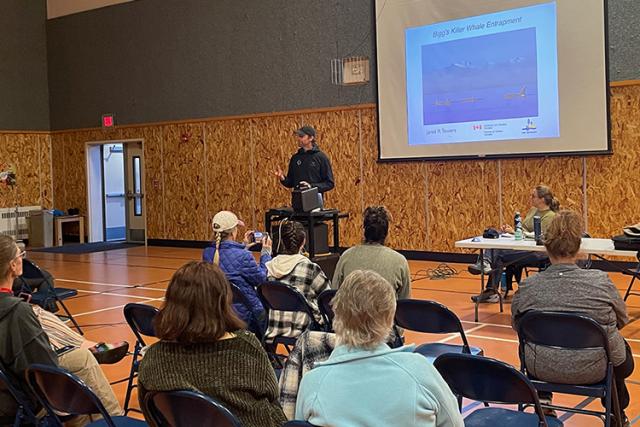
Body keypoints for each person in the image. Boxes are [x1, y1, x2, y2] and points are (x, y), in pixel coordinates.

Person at [295, 270, 463, 427]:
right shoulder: (420, 371)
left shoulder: (312, 382)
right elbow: (455, 423)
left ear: (337, 314)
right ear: (390, 318)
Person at [511, 211, 633, 426]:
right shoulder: (601, 282)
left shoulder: (528, 286)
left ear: (546, 247)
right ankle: (616, 414)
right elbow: (622, 320)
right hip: (597, 368)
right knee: (615, 351)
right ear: (579, 247)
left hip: (541, 367)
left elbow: (517, 325)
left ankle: (544, 402)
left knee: (536, 343)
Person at [138, 261, 287, 427]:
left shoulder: (153, 359)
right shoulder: (246, 347)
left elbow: (151, 414)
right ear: (223, 301)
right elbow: (273, 396)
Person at [0, 235, 122, 426]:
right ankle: (113, 421)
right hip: (17, 399)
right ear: (13, 266)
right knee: (81, 361)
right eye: (20, 255)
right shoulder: (17, 312)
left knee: (76, 362)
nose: (22, 258)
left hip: (7, 385)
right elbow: (43, 367)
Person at [470, 185, 560, 303]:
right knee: (496, 252)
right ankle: (491, 289)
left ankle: (486, 269)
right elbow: (524, 229)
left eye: (533, 196)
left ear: (542, 199)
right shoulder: (533, 211)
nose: (530, 198)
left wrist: (516, 232)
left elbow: (538, 236)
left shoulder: (551, 216)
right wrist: (512, 230)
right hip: (523, 248)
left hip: (539, 252)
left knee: (497, 254)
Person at [203, 210, 272, 331]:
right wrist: (265, 254)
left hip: (218, 311)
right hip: (246, 315)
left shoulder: (208, 253)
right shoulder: (243, 256)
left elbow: (229, 261)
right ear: (233, 232)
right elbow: (261, 279)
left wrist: (243, 246)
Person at [265, 220, 330, 341]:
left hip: (274, 334)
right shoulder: (310, 269)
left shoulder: (269, 268)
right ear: (303, 242)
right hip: (305, 335)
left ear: (282, 241)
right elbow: (328, 300)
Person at [332, 206, 411, 299]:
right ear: (386, 234)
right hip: (384, 313)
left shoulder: (346, 257)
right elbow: (405, 303)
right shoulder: (400, 261)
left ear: (364, 231)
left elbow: (334, 294)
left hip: (351, 313)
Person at [274, 125, 335, 197]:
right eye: (298, 136)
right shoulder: (295, 158)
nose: (298, 138)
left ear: (311, 138)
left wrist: (311, 186)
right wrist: (282, 177)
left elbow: (329, 183)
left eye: (301, 136)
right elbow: (290, 183)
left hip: (314, 200)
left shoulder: (321, 157)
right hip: (297, 200)